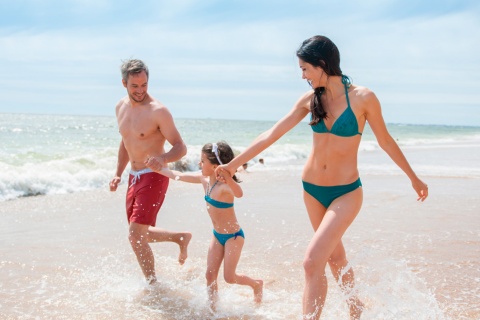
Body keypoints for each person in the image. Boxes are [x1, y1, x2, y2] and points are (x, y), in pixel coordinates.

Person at [216, 35, 428, 319]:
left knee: (311, 262)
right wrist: (233, 165)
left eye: (305, 68)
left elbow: (386, 141)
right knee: (335, 257)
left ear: (323, 63)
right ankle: (356, 308)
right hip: (311, 191)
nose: (302, 75)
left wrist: (413, 178)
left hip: (346, 193)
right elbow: (272, 134)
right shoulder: (309, 99)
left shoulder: (363, 98)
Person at [147, 141, 263, 310]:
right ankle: (212, 309)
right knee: (209, 275)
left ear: (216, 165)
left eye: (203, 161)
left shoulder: (224, 187)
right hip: (217, 236)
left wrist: (229, 178)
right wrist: (158, 169)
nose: (199, 164)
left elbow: (239, 193)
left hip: (233, 237)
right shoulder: (204, 180)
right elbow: (178, 175)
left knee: (229, 277)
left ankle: (256, 284)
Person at [109, 59, 192, 285]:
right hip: (133, 177)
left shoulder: (158, 111)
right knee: (139, 233)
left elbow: (180, 147)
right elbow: (126, 141)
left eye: (144, 85)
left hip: (155, 175)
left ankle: (153, 285)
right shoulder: (120, 107)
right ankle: (179, 237)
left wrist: (162, 159)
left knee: (135, 236)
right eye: (135, 86)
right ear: (124, 83)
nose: (140, 91)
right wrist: (118, 173)